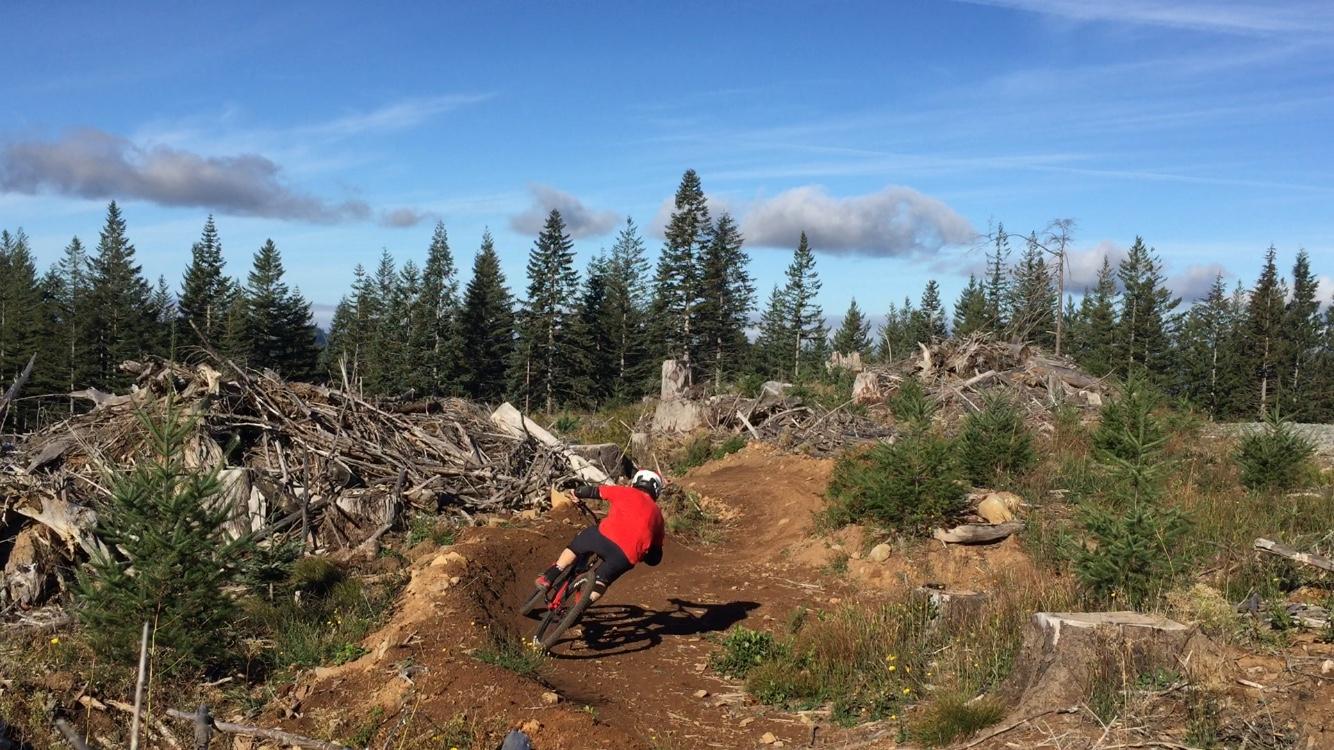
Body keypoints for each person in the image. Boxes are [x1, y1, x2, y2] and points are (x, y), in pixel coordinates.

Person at [534, 469, 665, 602]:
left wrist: (576, 492)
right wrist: (645, 554)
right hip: (625, 557)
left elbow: (593, 491)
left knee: (579, 544)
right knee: (602, 582)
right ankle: (581, 606)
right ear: (656, 490)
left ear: (636, 481)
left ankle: (550, 576)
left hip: (604, 537)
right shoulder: (658, 516)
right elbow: (656, 557)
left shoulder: (624, 491)